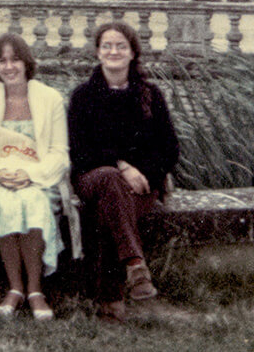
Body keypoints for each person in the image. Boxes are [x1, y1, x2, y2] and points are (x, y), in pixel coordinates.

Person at [68, 21, 180, 322]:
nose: (113, 51)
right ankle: (134, 262)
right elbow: (79, 151)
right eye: (107, 46)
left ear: (132, 53)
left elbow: (169, 148)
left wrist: (145, 175)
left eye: (121, 46)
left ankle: (111, 298)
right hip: (93, 176)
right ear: (97, 52)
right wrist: (122, 166)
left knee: (111, 204)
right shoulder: (83, 96)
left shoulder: (150, 95)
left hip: (142, 184)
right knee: (109, 181)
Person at [0, 33, 69, 321]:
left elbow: (60, 152)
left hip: (39, 174)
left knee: (32, 200)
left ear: (26, 63)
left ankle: (36, 290)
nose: (9, 67)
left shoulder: (50, 99)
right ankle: (15, 288)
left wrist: (30, 174)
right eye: (2, 61)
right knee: (0, 201)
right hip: (1, 175)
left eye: (15, 60)